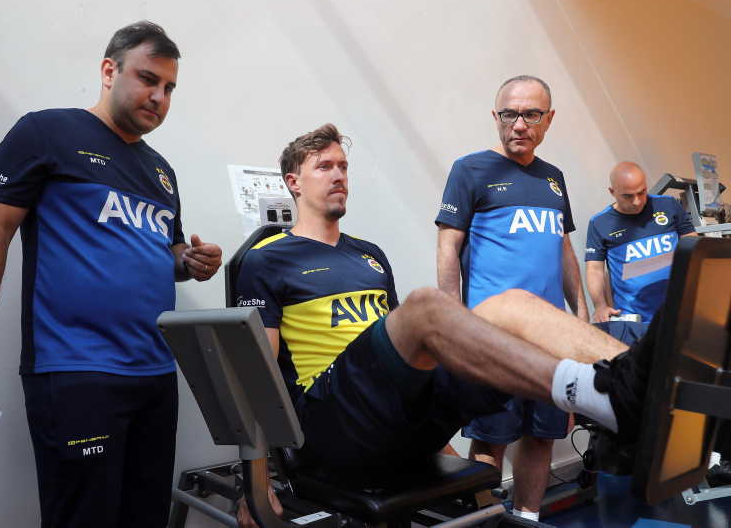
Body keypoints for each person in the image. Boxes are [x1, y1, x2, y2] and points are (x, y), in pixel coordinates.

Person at [235, 124, 650, 528]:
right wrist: (255, 482)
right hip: (332, 420)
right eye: (324, 167)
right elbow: (255, 373)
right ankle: (593, 392)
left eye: (343, 166)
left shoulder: (370, 255)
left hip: (393, 417)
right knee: (426, 305)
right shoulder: (266, 259)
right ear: (293, 182)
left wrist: (440, 447)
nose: (339, 175)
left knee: (514, 304)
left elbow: (403, 356)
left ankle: (643, 382)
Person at [0, 21, 222, 527]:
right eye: (148, 79)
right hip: (77, 368)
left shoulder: (162, 172)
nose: (159, 96)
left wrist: (192, 262)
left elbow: (167, 252)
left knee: (146, 518)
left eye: (169, 87)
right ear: (109, 71)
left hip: (156, 372)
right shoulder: (46, 132)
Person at [435, 75, 586, 520]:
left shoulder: (553, 178)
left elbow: (563, 249)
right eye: (509, 114)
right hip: (493, 338)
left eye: (531, 114)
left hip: (551, 339)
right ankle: (485, 522)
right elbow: (448, 248)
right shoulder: (470, 169)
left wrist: (581, 316)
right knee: (491, 439)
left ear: (548, 119)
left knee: (542, 436)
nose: (519, 124)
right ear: (496, 117)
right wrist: (455, 324)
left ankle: (527, 520)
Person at [585, 161, 696, 324]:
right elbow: (594, 270)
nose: (636, 201)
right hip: (633, 319)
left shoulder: (668, 205)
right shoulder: (599, 223)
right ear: (612, 192)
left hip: (679, 310)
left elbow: (693, 247)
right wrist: (600, 306)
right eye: (627, 196)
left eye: (641, 192)